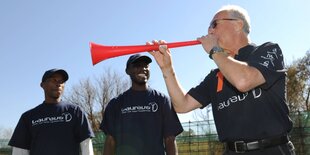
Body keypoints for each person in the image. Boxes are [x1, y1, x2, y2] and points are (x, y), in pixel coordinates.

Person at [148, 5, 295, 155]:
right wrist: (167, 68)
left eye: (214, 24)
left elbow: (243, 80)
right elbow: (182, 105)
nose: (209, 31)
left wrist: (214, 50)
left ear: (238, 24)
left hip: (272, 150)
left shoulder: (268, 50)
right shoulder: (216, 75)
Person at [100, 54, 183, 155]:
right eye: (137, 66)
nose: (143, 69)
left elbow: (170, 138)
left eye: (146, 66)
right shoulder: (115, 104)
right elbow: (110, 140)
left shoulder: (162, 100)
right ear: (127, 71)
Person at [9, 68, 95, 155]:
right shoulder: (28, 117)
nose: (58, 84)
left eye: (61, 81)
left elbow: (86, 145)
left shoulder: (75, 112)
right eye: (53, 80)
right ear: (42, 85)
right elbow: (20, 150)